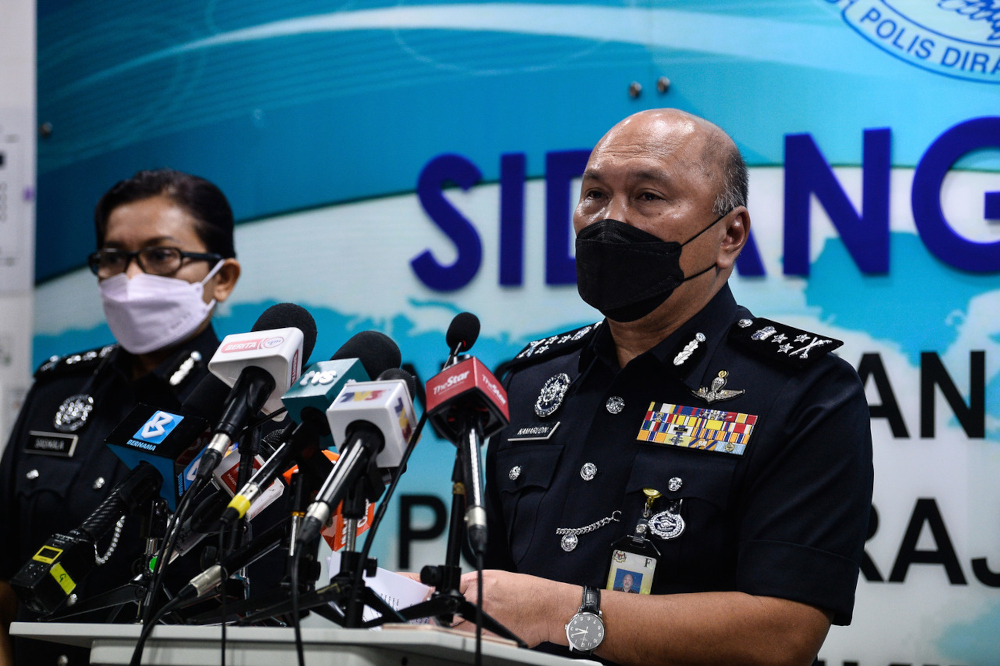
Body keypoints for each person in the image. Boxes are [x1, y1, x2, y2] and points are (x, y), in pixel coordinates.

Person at [473, 109, 874, 665]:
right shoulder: (529, 383)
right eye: (595, 195)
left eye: (648, 197)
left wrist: (559, 612)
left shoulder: (803, 391)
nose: (609, 220)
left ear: (730, 235)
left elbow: (783, 634)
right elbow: (489, 601)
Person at [0, 169, 241, 666]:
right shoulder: (56, 391)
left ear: (222, 279)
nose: (130, 279)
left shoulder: (247, 410)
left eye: (161, 255)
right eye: (113, 258)